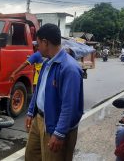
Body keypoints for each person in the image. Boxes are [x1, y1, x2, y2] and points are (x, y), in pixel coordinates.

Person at [25, 23, 84, 161]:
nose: (37, 48)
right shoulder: (47, 63)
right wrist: (30, 111)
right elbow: (39, 90)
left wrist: (59, 133)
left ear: (45, 42)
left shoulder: (69, 68)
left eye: (38, 43)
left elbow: (69, 106)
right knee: (31, 156)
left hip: (55, 126)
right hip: (39, 119)